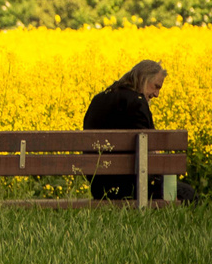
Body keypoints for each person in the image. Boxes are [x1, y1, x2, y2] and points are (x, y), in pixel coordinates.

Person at [83, 59, 197, 202]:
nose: (156, 94)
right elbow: (151, 149)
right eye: (156, 87)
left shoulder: (99, 99)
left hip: (99, 187)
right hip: (131, 187)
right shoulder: (137, 103)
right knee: (188, 193)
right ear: (143, 78)